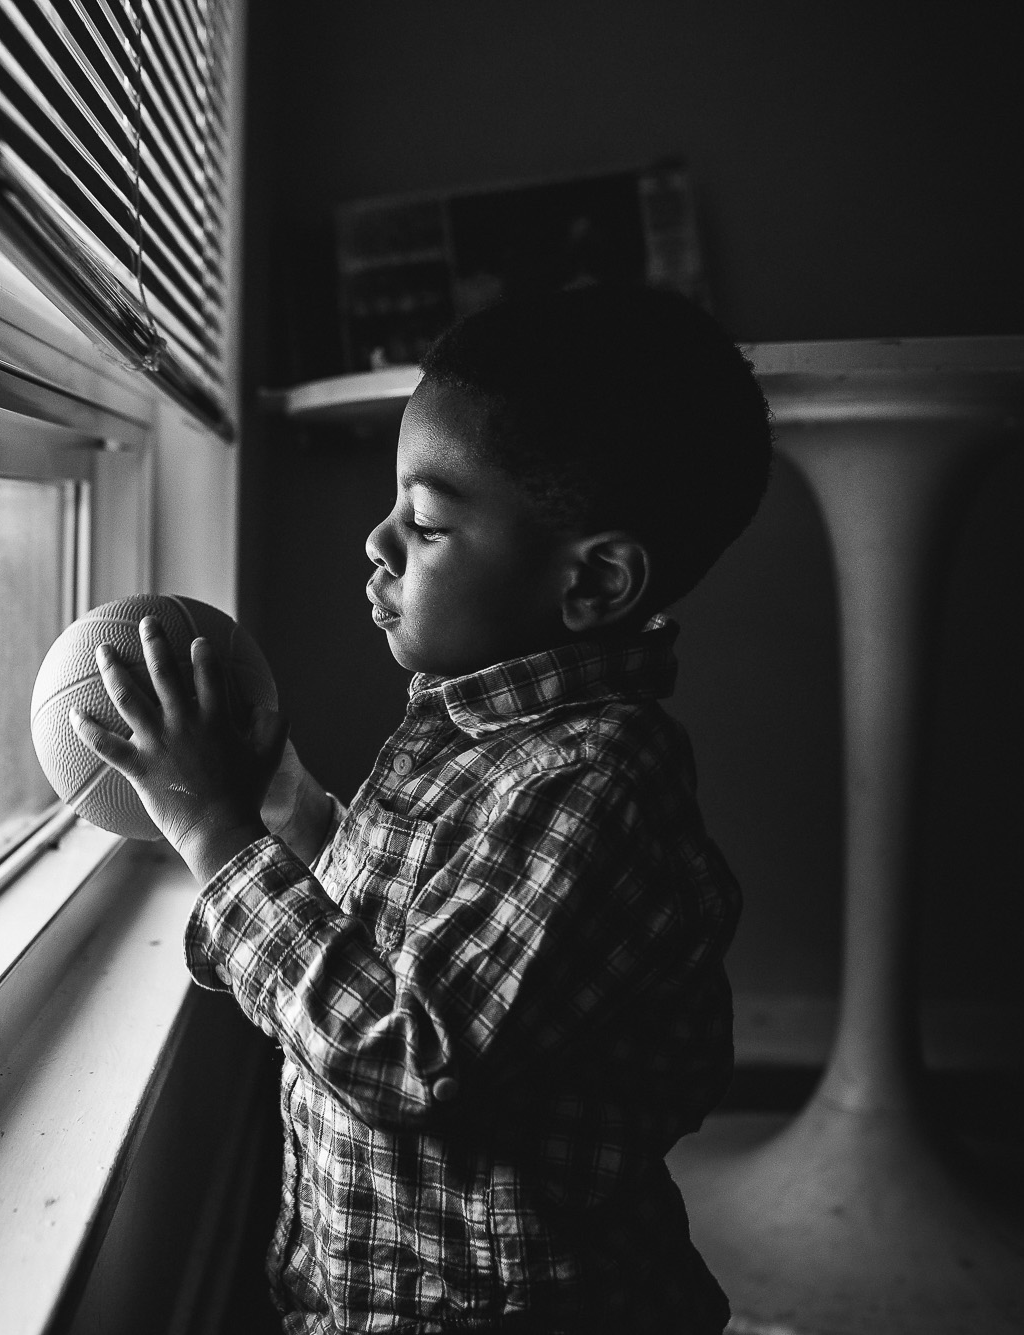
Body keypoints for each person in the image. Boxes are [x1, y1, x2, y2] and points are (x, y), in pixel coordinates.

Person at [69, 285, 772, 1333]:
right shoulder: (475, 733)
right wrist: (286, 803)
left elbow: (412, 1056)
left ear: (593, 583)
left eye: (427, 521)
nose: (376, 541)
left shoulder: (587, 787)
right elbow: (402, 930)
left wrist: (211, 834)